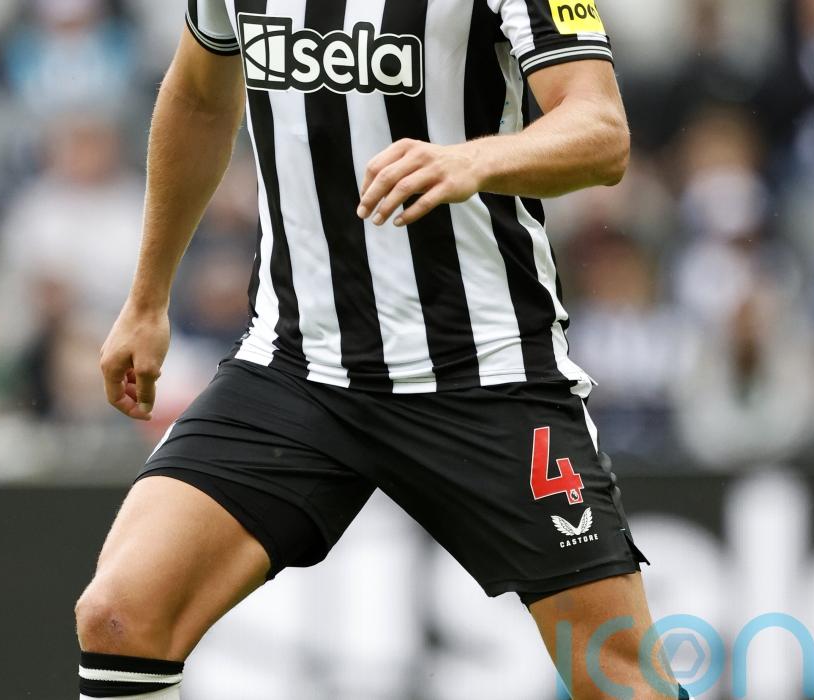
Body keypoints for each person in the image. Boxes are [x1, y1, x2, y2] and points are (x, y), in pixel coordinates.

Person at [76, 1, 689, 698]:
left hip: (483, 371)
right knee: (120, 615)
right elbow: (198, 96)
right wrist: (148, 299)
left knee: (620, 676)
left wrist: (471, 159)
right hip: (297, 365)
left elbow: (601, 131)